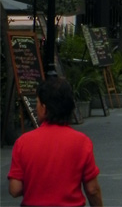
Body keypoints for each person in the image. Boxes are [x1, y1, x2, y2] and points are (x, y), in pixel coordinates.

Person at [7, 77, 103, 205]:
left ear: (44, 108)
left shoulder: (23, 142)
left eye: (37, 103)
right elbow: (92, 190)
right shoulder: (82, 142)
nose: (36, 108)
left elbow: (15, 189)